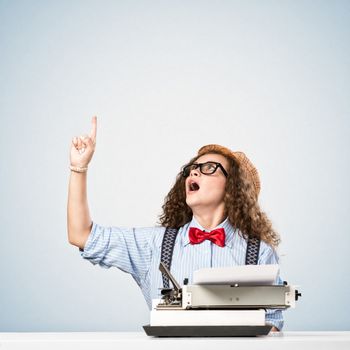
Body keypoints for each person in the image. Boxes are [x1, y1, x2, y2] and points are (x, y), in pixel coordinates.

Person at [67, 116, 283, 331]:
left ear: (232, 187)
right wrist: (79, 168)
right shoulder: (154, 244)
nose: (194, 171)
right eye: (191, 168)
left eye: (209, 167)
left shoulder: (260, 252)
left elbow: (271, 326)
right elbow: (81, 235)